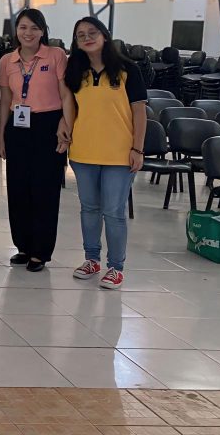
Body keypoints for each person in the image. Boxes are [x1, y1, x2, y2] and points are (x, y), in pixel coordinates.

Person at [63, 16, 147, 290]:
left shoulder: (127, 70)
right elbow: (70, 108)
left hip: (119, 155)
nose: (86, 37)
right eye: (80, 35)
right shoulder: (75, 71)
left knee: (113, 212)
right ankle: (91, 259)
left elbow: (138, 111)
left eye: (92, 32)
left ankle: (115, 267)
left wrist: (138, 148)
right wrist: (62, 127)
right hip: (83, 152)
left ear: (105, 35)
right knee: (89, 209)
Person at [0, 9, 71, 272]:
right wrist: (1, 135)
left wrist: (66, 124)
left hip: (48, 124)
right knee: (18, 189)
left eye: (34, 28)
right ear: (16, 30)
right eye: (23, 27)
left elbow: (66, 95)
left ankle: (40, 251)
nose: (28, 33)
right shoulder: (7, 60)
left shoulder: (56, 55)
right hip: (17, 125)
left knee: (45, 189)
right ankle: (24, 246)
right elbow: (6, 100)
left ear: (43, 31)